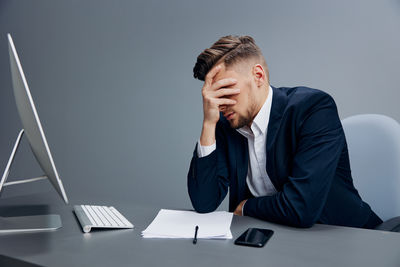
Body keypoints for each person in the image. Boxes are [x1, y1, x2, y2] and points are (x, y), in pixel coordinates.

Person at [187, 35, 382, 229]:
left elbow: (301, 208)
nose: (220, 104)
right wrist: (208, 123)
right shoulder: (226, 124)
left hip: (345, 237)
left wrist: (246, 206)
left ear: (258, 76)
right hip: (271, 243)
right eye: (214, 95)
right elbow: (204, 203)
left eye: (226, 90)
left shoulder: (314, 109)